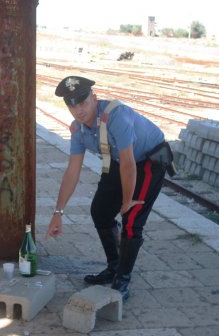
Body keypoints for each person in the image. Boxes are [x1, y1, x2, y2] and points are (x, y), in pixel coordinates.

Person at [46, 76, 171, 301]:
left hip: (149, 160)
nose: (78, 110)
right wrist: (58, 212)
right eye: (72, 106)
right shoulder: (78, 129)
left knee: (132, 220)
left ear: (94, 98)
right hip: (118, 161)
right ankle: (114, 266)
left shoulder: (116, 116)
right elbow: (72, 171)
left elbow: (129, 163)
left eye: (83, 103)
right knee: (100, 212)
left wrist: (126, 201)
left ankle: (122, 280)